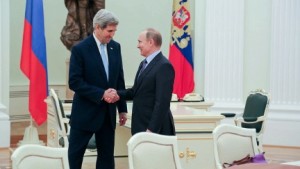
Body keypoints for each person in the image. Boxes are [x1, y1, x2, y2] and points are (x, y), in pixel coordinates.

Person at [68, 9, 127, 169]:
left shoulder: (116, 47)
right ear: (97, 27)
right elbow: (74, 82)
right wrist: (101, 94)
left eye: (114, 31)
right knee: (75, 156)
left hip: (107, 115)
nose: (112, 35)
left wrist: (122, 109)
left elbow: (119, 80)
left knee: (107, 158)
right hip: (85, 114)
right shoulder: (80, 49)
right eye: (109, 31)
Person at [117, 28, 176, 136]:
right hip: (141, 126)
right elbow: (136, 92)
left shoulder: (164, 66)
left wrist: (151, 130)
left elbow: (162, 102)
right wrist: (116, 94)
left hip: (155, 130)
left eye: (140, 42)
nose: (137, 45)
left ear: (150, 42)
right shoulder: (143, 64)